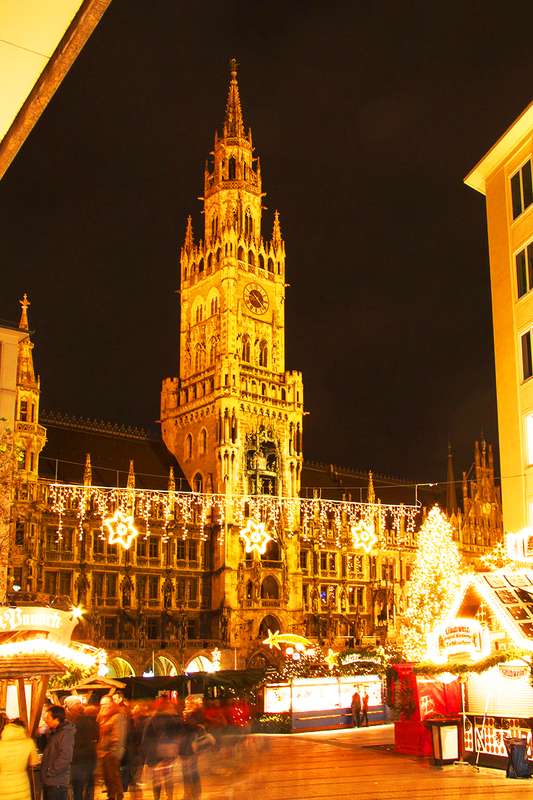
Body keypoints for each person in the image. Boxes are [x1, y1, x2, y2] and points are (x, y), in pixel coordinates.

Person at [41, 705, 76, 800]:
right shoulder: (55, 732)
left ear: (56, 719)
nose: (45, 720)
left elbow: (65, 757)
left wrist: (50, 771)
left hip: (57, 783)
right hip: (50, 781)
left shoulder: (65, 734)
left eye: (48, 718)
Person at [0, 718, 40, 800]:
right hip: (22, 784)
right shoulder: (29, 743)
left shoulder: (1, 745)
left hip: (3, 786)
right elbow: (34, 762)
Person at [97, 695, 127, 800]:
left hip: (112, 752)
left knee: (113, 777)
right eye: (101, 705)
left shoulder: (117, 716)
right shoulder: (104, 716)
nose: (103, 707)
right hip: (104, 752)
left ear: (111, 704)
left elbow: (118, 735)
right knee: (107, 777)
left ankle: (117, 796)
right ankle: (111, 796)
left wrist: (113, 750)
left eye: (105, 704)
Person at [69, 702, 98, 800]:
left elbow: (75, 742)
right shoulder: (92, 722)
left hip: (79, 758)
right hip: (90, 756)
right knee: (89, 783)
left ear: (74, 711)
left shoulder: (75, 724)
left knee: (78, 786)